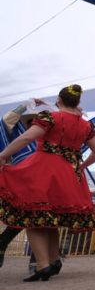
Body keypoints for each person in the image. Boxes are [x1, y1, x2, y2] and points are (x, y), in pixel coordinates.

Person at [0, 85, 95, 281]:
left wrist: (3, 155)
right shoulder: (85, 125)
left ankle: (42, 265)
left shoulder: (50, 117)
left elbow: (28, 136)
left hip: (43, 170)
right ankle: (54, 260)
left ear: (59, 100)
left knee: (33, 219)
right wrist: (81, 167)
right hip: (69, 175)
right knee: (51, 219)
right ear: (77, 102)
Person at [0, 99, 46, 270]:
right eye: (31, 121)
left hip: (44, 177)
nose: (34, 123)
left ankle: (40, 260)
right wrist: (26, 105)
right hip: (24, 178)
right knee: (32, 215)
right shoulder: (19, 136)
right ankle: (38, 261)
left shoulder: (47, 137)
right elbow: (6, 120)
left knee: (39, 217)